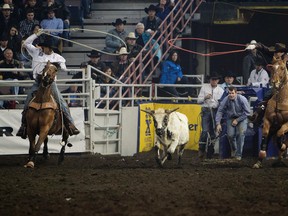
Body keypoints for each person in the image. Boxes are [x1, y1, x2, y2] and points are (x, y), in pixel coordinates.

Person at [16, 29, 80, 139]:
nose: (41, 48)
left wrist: (56, 65)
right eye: (42, 47)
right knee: (27, 101)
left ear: (49, 48)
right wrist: (37, 34)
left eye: (44, 47)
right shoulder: (36, 52)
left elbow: (64, 68)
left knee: (61, 102)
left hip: (51, 83)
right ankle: (23, 126)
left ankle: (71, 124)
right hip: (38, 82)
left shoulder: (58, 57)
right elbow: (26, 43)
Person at [246, 42, 287, 124]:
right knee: (266, 97)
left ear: (282, 52)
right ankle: (257, 116)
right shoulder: (275, 58)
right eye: (274, 52)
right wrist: (256, 46)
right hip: (277, 86)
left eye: (276, 52)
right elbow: (265, 48)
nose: (274, 54)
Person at [215, 86, 250, 160]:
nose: (231, 95)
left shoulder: (242, 99)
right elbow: (220, 111)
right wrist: (218, 123)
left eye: (232, 93)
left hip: (242, 118)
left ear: (236, 93)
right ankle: (234, 149)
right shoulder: (226, 99)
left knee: (240, 134)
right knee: (230, 135)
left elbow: (247, 112)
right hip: (230, 118)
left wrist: (237, 120)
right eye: (229, 93)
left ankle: (238, 155)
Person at [197, 72, 224, 159]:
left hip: (216, 110)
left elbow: (222, 104)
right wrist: (205, 97)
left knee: (213, 132)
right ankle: (201, 149)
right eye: (212, 79)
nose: (214, 81)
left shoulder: (221, 90)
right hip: (206, 110)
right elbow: (198, 101)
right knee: (205, 130)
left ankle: (210, 151)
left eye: (216, 80)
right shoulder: (204, 87)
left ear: (218, 80)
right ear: (210, 80)